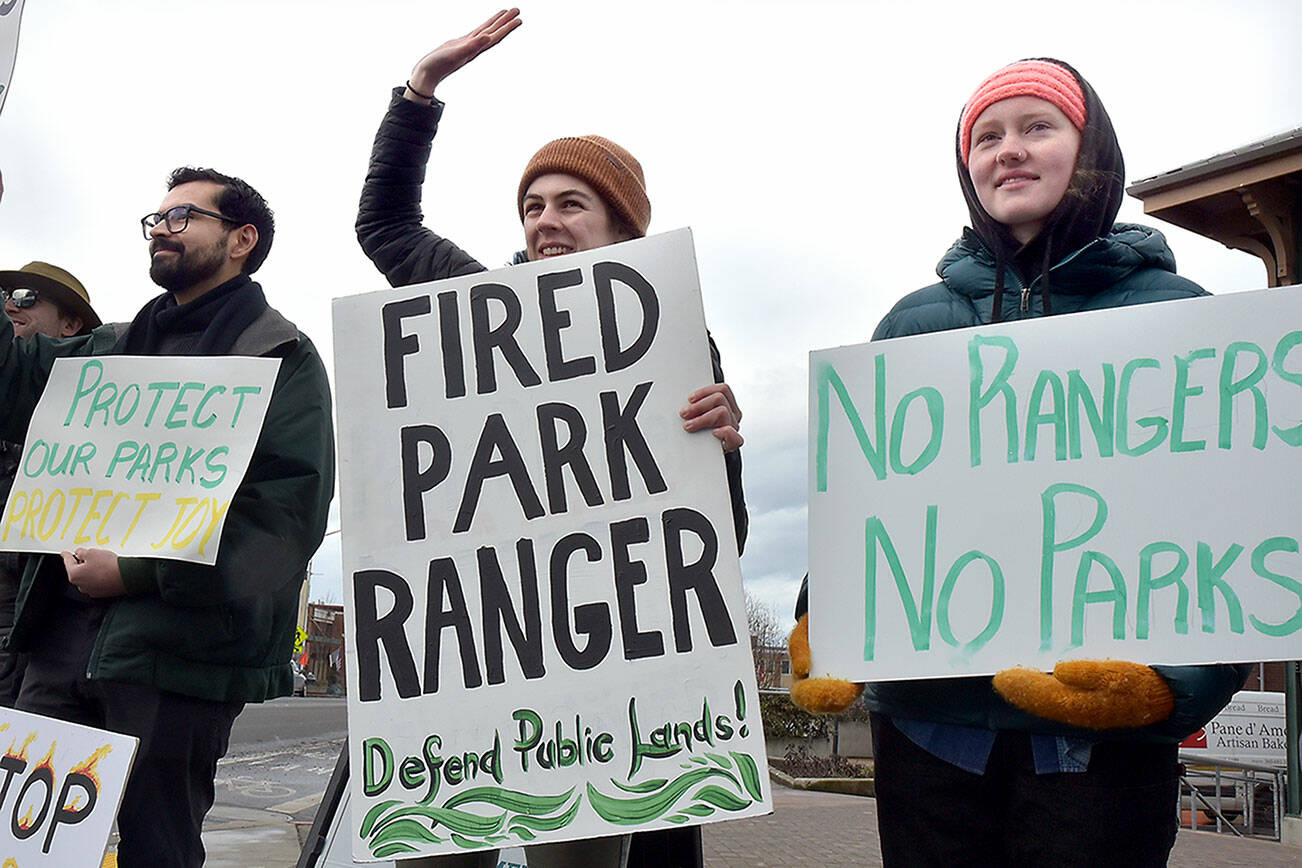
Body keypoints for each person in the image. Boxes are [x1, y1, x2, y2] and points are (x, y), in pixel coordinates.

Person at [788, 59, 1251, 867]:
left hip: (1096, 745)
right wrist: (820, 622)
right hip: (929, 735)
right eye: (988, 137)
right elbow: (865, 505)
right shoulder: (910, 324)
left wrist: (1173, 684)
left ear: (1091, 148)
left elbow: (1235, 532)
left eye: (1039, 127)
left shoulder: (1180, 320)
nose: (1010, 150)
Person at [356, 10, 745, 867]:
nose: (544, 221)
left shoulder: (675, 336)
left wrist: (723, 452)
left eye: (573, 203)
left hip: (617, 678)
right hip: (476, 669)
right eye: (533, 205)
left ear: (624, 229)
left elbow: (724, 540)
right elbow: (385, 225)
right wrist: (421, 90)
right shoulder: (472, 306)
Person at [0, 167, 335, 868]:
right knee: (23, 853)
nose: (160, 228)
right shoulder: (107, 350)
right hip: (60, 648)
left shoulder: (282, 358)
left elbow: (283, 524)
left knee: (159, 850)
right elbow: (9, 379)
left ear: (242, 238)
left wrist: (136, 572)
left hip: (181, 662)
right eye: (154, 218)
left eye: (182, 216)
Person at [0, 261, 101, 706]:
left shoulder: (100, 413)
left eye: (26, 298)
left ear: (71, 325)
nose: (10, 305)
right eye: (7, 297)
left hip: (34, 623)